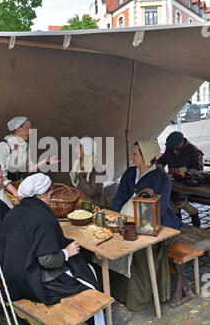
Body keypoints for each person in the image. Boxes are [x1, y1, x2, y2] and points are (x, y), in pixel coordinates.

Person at [0, 173, 106, 325]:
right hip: (32, 283)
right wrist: (66, 252)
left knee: (80, 264)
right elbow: (47, 260)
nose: (52, 194)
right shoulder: (43, 218)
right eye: (50, 191)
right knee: (88, 276)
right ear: (41, 195)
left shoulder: (14, 212)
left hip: (11, 277)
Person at [104, 140, 182, 312]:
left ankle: (137, 298)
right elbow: (119, 198)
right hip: (127, 220)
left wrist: (139, 227)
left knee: (138, 250)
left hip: (154, 223)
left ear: (146, 156)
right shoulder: (130, 172)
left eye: (135, 154)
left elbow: (158, 210)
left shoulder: (160, 177)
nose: (132, 157)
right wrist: (118, 218)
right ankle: (116, 291)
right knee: (111, 243)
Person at [0, 116, 59, 207]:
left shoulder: (25, 147)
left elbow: (28, 169)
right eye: (27, 128)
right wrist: (16, 193)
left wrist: (44, 161)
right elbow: (2, 177)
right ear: (18, 129)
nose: (30, 131)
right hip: (5, 189)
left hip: (19, 185)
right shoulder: (3, 147)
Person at [157, 131, 204, 227]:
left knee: (178, 200)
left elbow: (198, 170)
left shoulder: (193, 151)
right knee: (169, 200)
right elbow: (162, 160)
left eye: (175, 145)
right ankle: (177, 224)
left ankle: (194, 215)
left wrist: (180, 170)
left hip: (187, 182)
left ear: (182, 141)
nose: (173, 148)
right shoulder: (170, 148)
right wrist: (159, 166)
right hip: (172, 182)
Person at [69, 137, 108, 207]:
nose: (75, 150)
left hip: (94, 206)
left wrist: (80, 175)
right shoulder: (78, 163)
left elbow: (93, 192)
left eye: (77, 148)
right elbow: (75, 184)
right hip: (81, 204)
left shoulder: (98, 167)